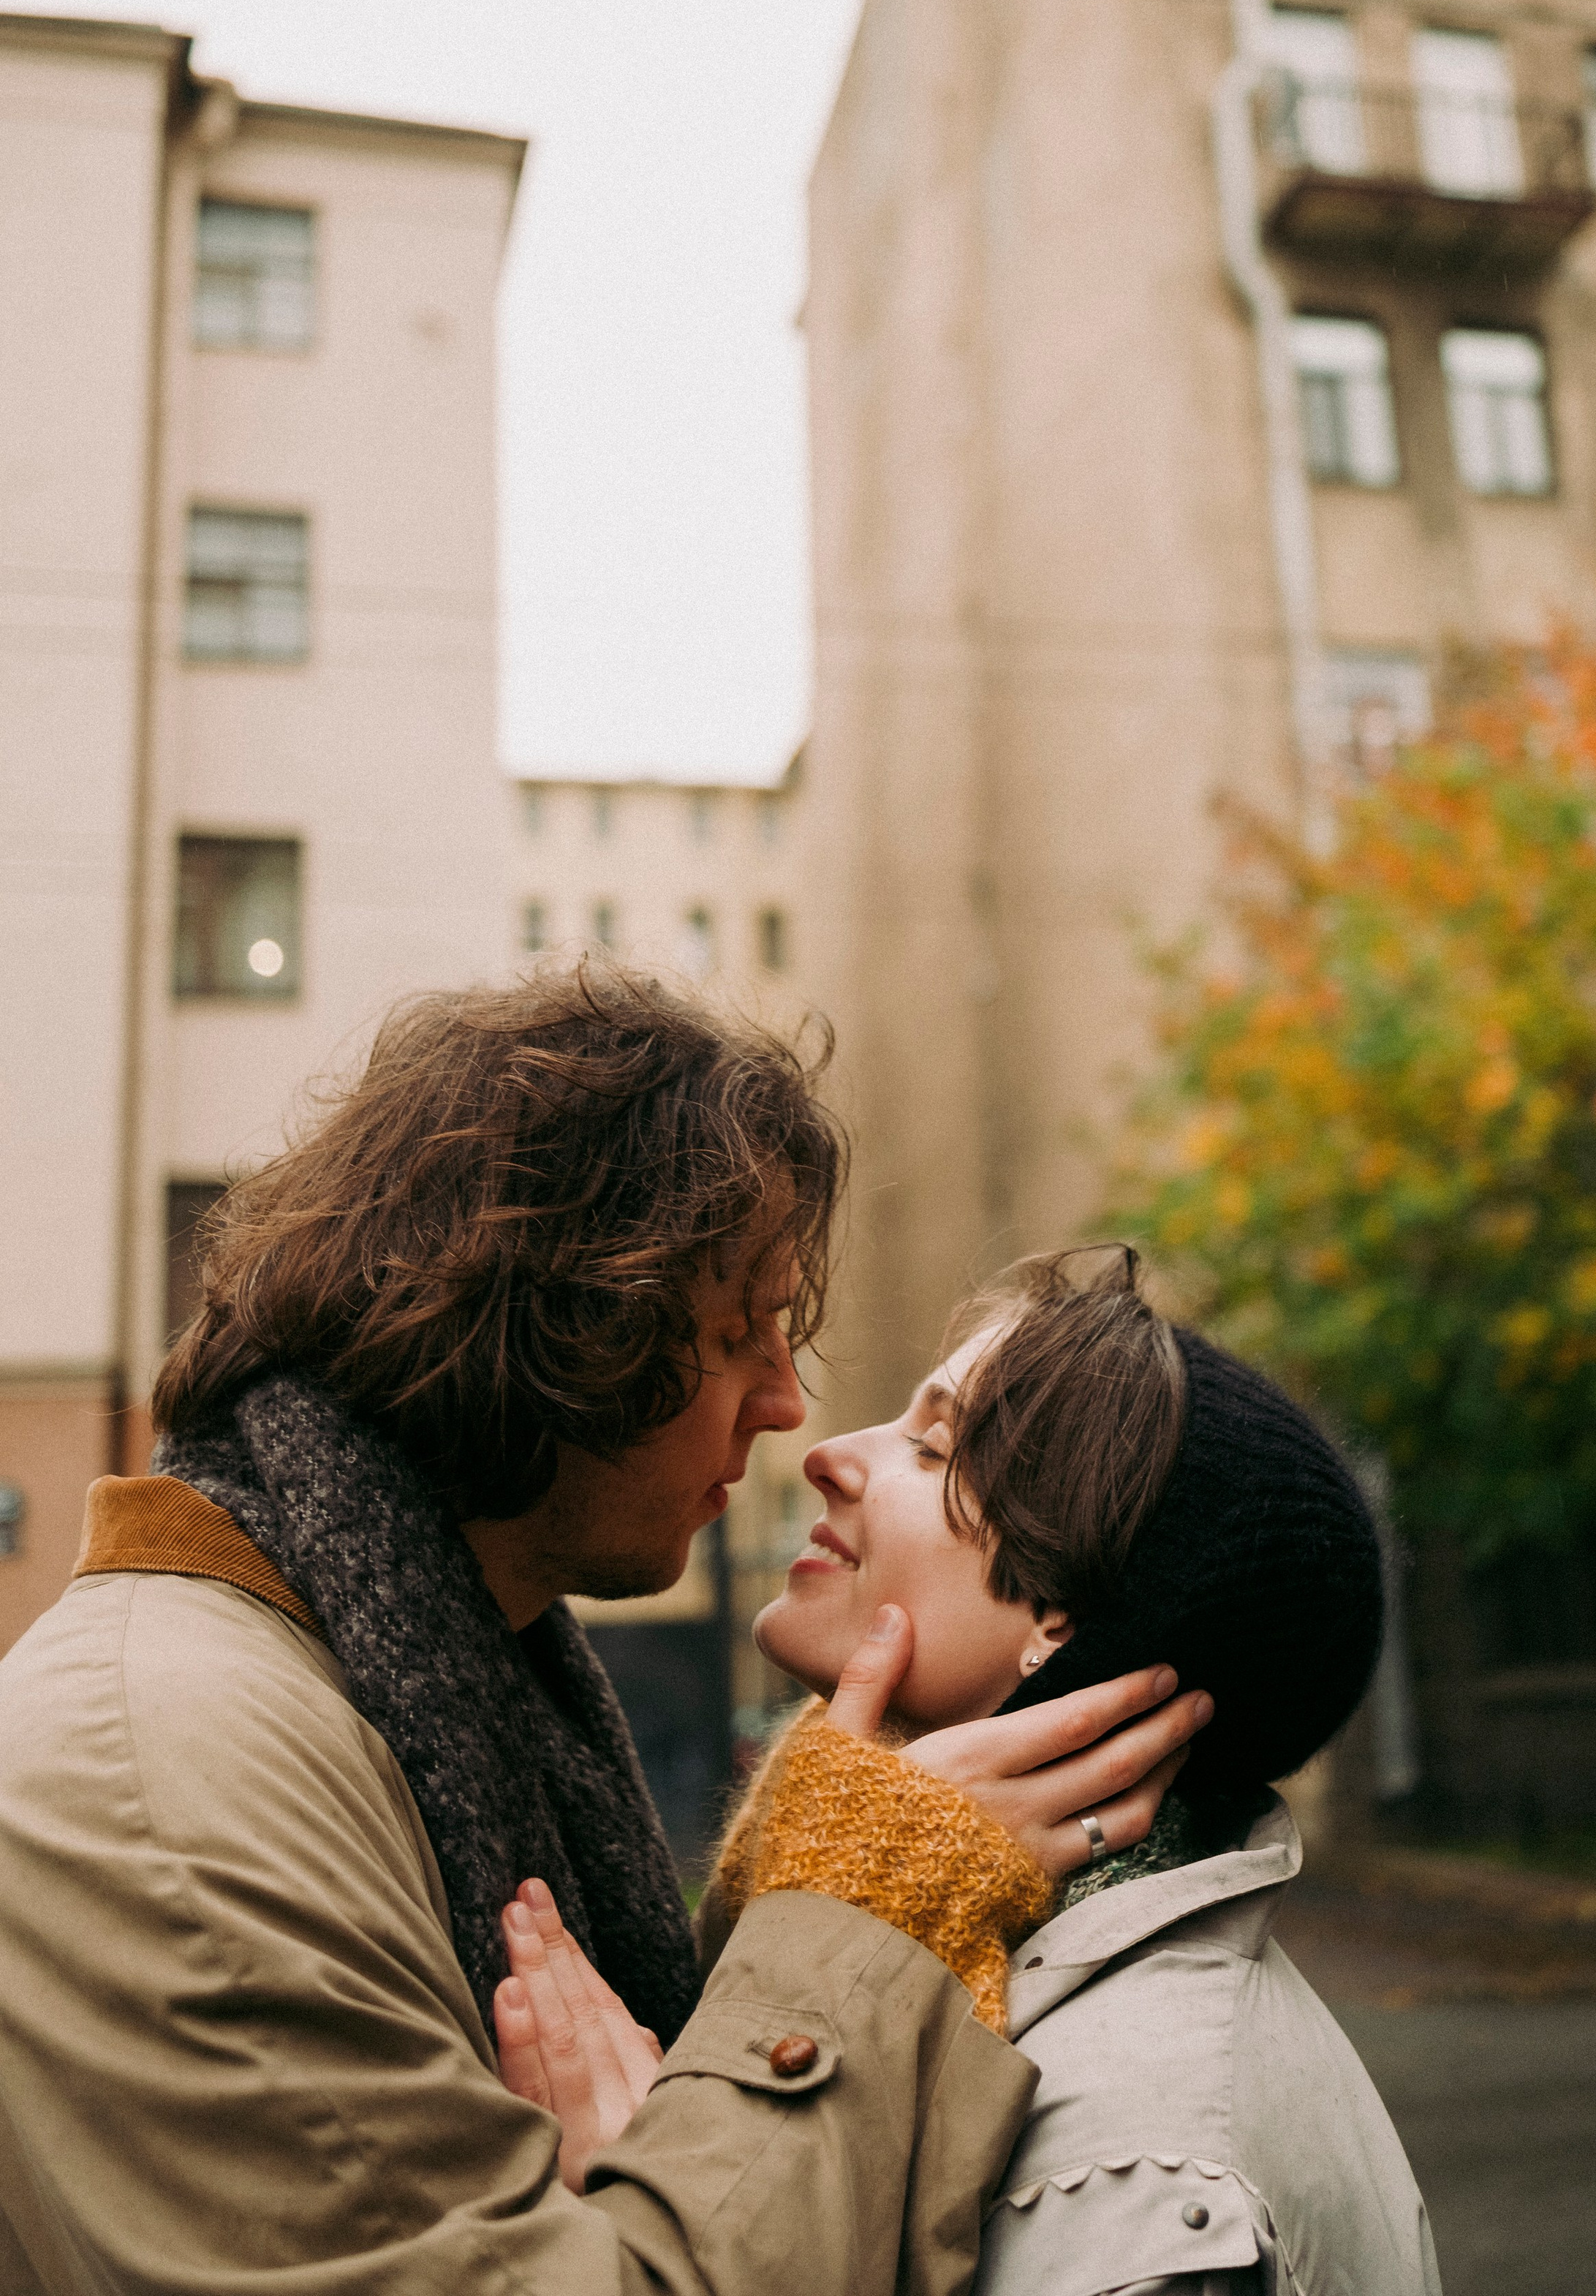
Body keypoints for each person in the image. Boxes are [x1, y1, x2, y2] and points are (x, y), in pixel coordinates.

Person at [0, 970, 1208, 2296]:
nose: (788, 1406)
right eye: (741, 1331)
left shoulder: (404, 1684)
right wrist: (852, 1921)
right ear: (563, 1326)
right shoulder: (176, 1780)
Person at [702, 1248, 1442, 2296]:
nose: (829, 1455)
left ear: (1062, 1614)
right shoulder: (1009, 1990)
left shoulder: (1124, 2137)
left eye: (931, 1447)